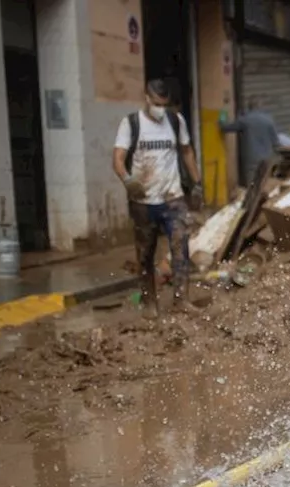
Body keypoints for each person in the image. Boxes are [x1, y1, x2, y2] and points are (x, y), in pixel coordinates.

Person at [113, 79, 202, 317]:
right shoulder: (131, 124)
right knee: (145, 254)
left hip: (173, 197)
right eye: (156, 103)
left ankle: (181, 299)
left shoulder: (175, 121)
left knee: (180, 248)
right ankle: (149, 301)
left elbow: (186, 150)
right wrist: (129, 181)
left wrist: (197, 182)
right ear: (146, 98)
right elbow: (118, 158)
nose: (160, 109)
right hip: (143, 202)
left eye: (164, 104)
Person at [219, 96, 281, 187]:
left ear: (249, 107)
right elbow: (276, 143)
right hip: (267, 158)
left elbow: (224, 127)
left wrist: (223, 112)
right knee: (265, 185)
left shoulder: (245, 120)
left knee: (252, 187)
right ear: (261, 106)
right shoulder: (269, 120)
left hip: (251, 160)